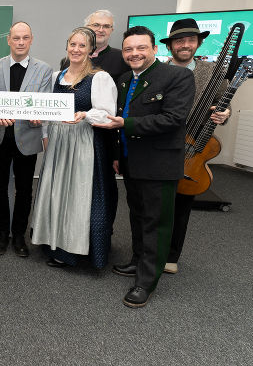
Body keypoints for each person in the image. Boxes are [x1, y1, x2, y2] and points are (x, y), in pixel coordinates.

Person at [93, 25, 194, 308]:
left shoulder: (177, 76)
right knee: (137, 216)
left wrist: (127, 124)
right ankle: (137, 260)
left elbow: (173, 119)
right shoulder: (126, 79)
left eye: (141, 48)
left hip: (159, 163)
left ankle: (146, 281)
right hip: (130, 161)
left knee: (156, 223)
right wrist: (117, 154)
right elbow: (117, 118)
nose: (134, 53)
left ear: (154, 49)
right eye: (128, 49)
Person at [30, 27, 118, 269]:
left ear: (91, 51)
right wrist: (41, 122)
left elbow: (107, 114)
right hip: (58, 142)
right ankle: (56, 245)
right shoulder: (55, 76)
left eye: (82, 46)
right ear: (67, 46)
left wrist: (85, 115)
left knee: (79, 195)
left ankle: (78, 251)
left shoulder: (99, 78)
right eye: (73, 44)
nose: (76, 49)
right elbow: (47, 108)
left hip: (83, 142)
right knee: (57, 193)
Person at [162, 18, 231, 274]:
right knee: (154, 204)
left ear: (198, 43)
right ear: (170, 46)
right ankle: (147, 251)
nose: (185, 45)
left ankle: (171, 255)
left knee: (182, 204)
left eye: (191, 40)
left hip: (192, 148)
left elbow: (223, 102)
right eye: (179, 40)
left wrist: (225, 113)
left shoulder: (213, 72)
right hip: (161, 145)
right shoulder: (158, 70)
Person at [0, 21, 53, 257]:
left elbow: (44, 102)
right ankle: (1, 233)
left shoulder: (44, 69)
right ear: (8, 40)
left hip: (28, 136)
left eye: (25, 38)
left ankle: (18, 235)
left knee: (24, 190)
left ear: (31, 40)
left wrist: (40, 117)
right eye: (16, 38)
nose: (21, 42)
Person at [61, 9, 130, 82]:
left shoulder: (122, 58)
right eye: (96, 25)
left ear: (111, 30)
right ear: (87, 28)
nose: (101, 30)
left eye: (106, 26)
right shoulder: (69, 60)